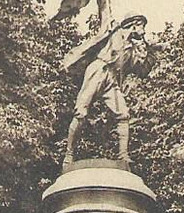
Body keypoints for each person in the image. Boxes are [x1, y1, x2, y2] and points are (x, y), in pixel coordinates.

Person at [63, 14, 151, 168]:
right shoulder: (113, 30)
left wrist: (145, 53)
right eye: (142, 26)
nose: (143, 31)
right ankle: (69, 154)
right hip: (98, 71)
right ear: (134, 26)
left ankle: (123, 155)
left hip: (112, 79)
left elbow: (140, 72)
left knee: (123, 114)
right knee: (81, 113)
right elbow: (104, 7)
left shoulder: (132, 49)